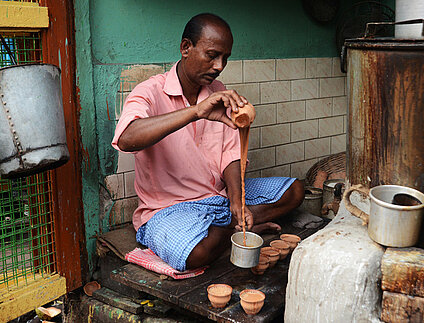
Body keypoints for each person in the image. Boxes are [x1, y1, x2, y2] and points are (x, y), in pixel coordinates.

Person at [112, 13, 304, 271]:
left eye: (225, 58)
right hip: (170, 210)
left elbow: (230, 153)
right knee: (196, 253)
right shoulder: (149, 92)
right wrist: (195, 111)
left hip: (218, 198)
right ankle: (240, 228)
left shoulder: (218, 91)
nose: (218, 66)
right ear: (186, 48)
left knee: (294, 191)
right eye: (212, 55)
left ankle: (234, 223)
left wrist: (236, 200)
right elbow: (126, 138)